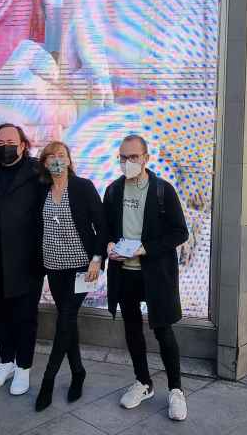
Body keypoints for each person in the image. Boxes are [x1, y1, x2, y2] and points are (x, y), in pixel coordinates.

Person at [103, 134, 190, 421]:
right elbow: (105, 230)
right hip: (124, 273)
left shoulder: (162, 191)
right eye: (123, 157)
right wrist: (108, 245)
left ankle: (176, 390)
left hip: (155, 274)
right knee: (132, 330)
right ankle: (143, 382)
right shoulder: (113, 191)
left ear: (146, 158)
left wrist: (146, 248)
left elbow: (180, 232)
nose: (128, 162)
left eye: (134, 157)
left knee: (163, 331)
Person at [34, 141, 107, 412]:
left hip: (81, 267)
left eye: (61, 155)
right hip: (53, 266)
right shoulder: (41, 190)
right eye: (51, 156)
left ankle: (48, 381)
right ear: (44, 162)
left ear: (69, 160)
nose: (56, 159)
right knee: (68, 320)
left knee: (66, 318)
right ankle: (78, 372)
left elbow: (102, 227)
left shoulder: (82, 187)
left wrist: (97, 260)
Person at [0, 123, 44, 396]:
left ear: (22, 145)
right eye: (0, 141)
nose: (5, 145)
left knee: (25, 317)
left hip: (27, 258)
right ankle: (6, 362)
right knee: (0, 314)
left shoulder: (37, 172)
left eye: (11, 141)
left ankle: (23, 368)